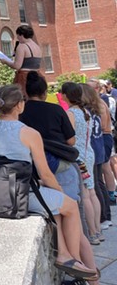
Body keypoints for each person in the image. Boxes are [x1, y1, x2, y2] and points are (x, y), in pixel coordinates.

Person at [0, 85, 97, 281]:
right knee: (69, 205)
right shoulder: (28, 133)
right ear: (20, 105)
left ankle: (64, 253)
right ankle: (72, 259)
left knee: (55, 207)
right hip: (18, 194)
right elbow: (45, 174)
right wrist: (59, 190)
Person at [61, 82, 102, 246]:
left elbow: (69, 138)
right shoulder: (85, 112)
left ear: (66, 95)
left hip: (78, 158)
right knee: (92, 193)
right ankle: (98, 229)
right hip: (88, 153)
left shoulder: (71, 113)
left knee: (85, 195)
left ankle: (92, 233)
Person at [80, 83, 112, 233]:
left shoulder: (88, 110)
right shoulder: (95, 107)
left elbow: (105, 127)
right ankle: (105, 216)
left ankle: (104, 217)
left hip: (94, 147)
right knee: (99, 182)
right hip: (97, 146)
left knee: (96, 184)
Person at [0, 25, 42, 96]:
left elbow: (17, 66)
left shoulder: (22, 47)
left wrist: (5, 61)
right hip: (37, 76)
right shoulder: (37, 46)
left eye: (18, 35)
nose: (17, 38)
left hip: (24, 77)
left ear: (22, 35)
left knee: (22, 98)